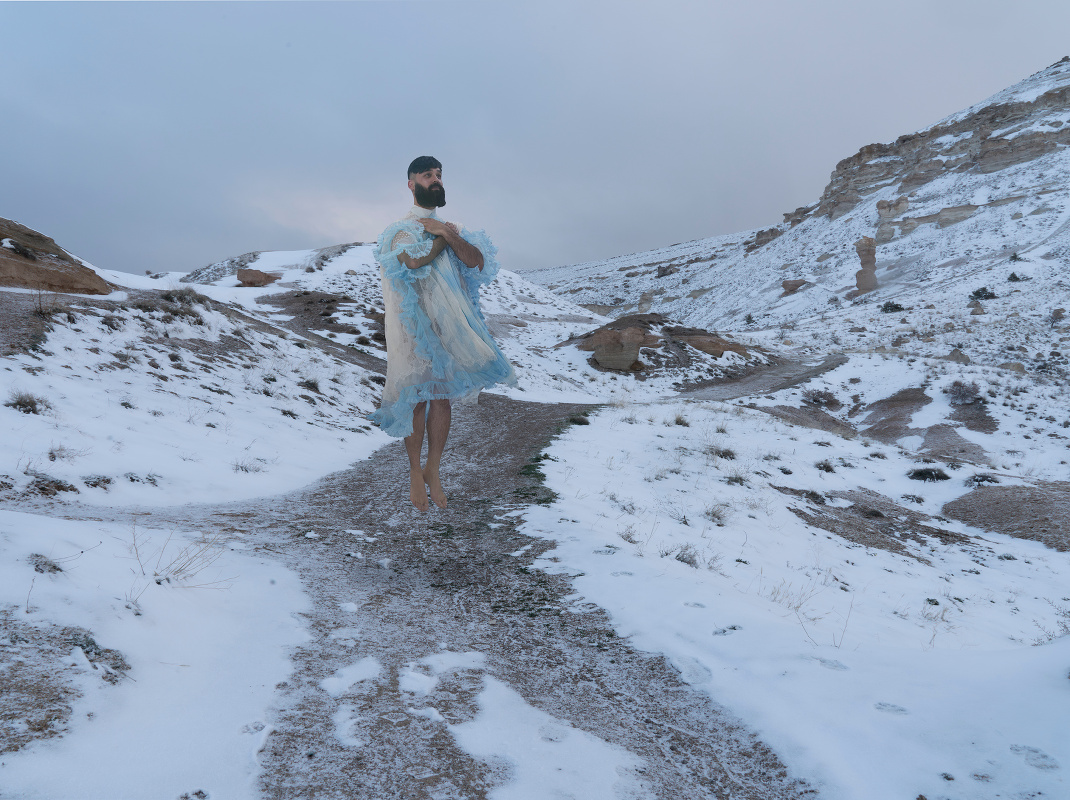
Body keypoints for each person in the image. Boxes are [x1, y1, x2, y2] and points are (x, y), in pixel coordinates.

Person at [369, 156, 516, 511]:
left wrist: (448, 234)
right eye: (427, 175)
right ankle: (413, 471)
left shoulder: (452, 228)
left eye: (438, 175)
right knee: (417, 398)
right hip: (414, 328)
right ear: (411, 184)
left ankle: (432, 469)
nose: (435, 180)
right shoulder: (399, 230)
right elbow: (413, 262)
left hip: (447, 328)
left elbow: (476, 261)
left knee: (442, 399)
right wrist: (441, 237)